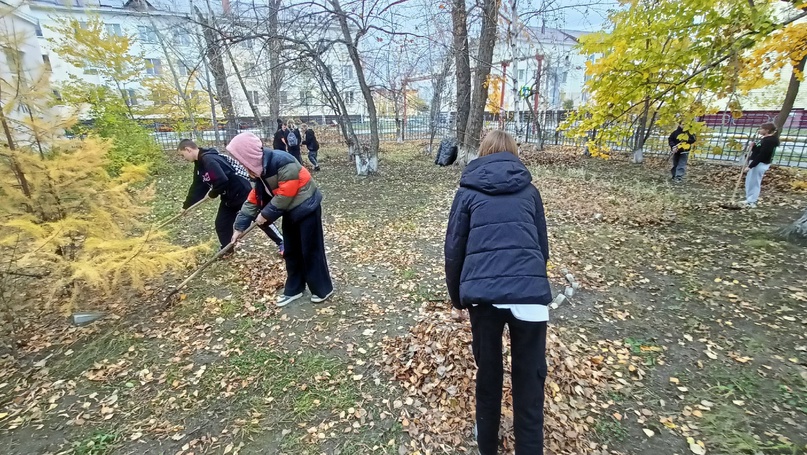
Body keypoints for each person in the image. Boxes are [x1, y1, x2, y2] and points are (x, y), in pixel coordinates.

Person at [444, 130, 551, 455]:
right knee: (529, 382)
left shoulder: (467, 192)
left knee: (488, 375)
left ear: (483, 152)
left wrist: (457, 299)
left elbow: (453, 250)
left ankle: (487, 446)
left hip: (483, 298)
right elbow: (542, 247)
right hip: (529, 299)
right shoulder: (530, 192)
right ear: (514, 153)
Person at [227, 132, 333, 307]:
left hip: (307, 207)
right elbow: (255, 197)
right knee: (291, 250)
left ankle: (322, 288)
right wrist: (239, 227)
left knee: (310, 250)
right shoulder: (260, 171)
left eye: (240, 158)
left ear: (249, 155)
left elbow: (285, 194)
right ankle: (295, 288)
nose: (240, 163)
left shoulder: (282, 160)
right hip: (290, 211)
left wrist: (265, 215)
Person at [177, 139, 284, 256]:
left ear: (188, 149)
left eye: (183, 155)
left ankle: (282, 242)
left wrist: (212, 193)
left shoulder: (209, 160)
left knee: (261, 220)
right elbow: (198, 186)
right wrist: (186, 206)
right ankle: (227, 249)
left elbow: (221, 179)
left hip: (241, 192)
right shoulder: (200, 165)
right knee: (222, 223)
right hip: (228, 197)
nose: (184, 158)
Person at [743, 122, 780, 208]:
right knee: (750, 181)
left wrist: (750, 166)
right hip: (756, 162)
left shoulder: (769, 141)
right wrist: (754, 146)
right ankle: (749, 199)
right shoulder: (765, 139)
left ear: (767, 130)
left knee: (754, 182)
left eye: (761, 129)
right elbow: (758, 150)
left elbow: (762, 154)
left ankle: (752, 201)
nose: (760, 130)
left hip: (760, 163)